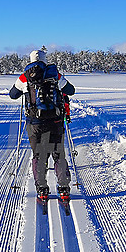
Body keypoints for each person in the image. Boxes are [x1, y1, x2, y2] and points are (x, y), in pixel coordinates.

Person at [9, 47, 76, 200]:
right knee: (58, 154)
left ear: (31, 60)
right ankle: (64, 188)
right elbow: (71, 90)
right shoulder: (55, 74)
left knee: (38, 155)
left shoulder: (25, 76)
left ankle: (42, 189)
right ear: (45, 60)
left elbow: (13, 95)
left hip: (34, 122)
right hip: (56, 120)